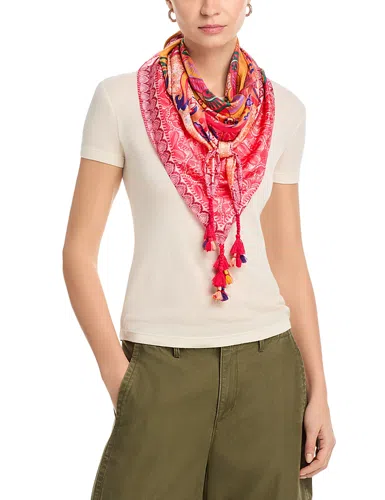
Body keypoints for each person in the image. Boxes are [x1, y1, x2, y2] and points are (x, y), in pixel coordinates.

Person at [62, 1, 335, 498]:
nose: (210, 7)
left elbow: (288, 259)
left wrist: (318, 390)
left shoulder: (285, 110)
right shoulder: (119, 101)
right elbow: (78, 253)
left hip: (268, 368)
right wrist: (119, 378)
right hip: (161, 366)